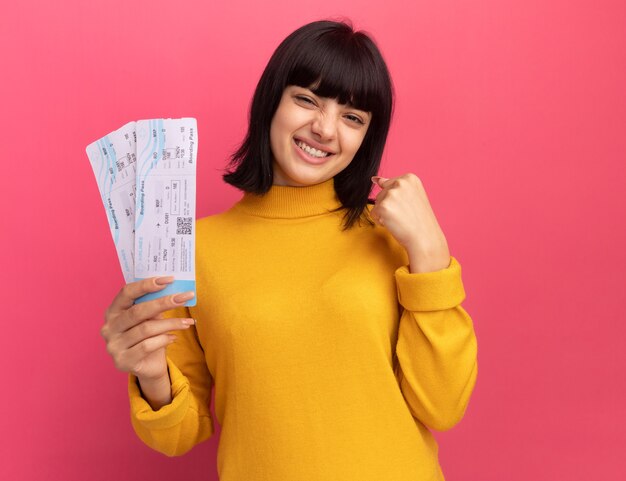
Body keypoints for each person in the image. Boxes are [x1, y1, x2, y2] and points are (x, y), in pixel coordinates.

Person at [100, 19, 478, 481]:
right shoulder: (194, 251)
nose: (324, 128)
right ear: (271, 100)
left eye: (352, 118)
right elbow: (178, 435)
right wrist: (151, 375)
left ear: (366, 140)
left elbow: (443, 406)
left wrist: (430, 251)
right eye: (306, 99)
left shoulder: (394, 238)